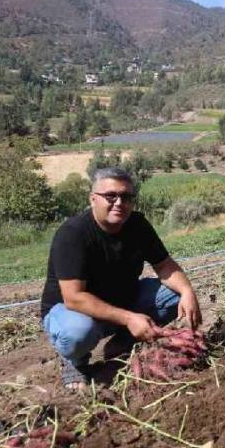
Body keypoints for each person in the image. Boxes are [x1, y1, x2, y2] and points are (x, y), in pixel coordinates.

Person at [40, 167, 202, 390]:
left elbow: (164, 265)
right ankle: (74, 361)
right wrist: (129, 318)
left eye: (126, 197)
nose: (119, 202)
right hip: (73, 311)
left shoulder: (137, 224)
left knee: (175, 296)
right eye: (110, 196)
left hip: (122, 300)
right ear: (93, 199)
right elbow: (73, 298)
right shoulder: (73, 234)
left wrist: (187, 292)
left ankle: (121, 343)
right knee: (78, 333)